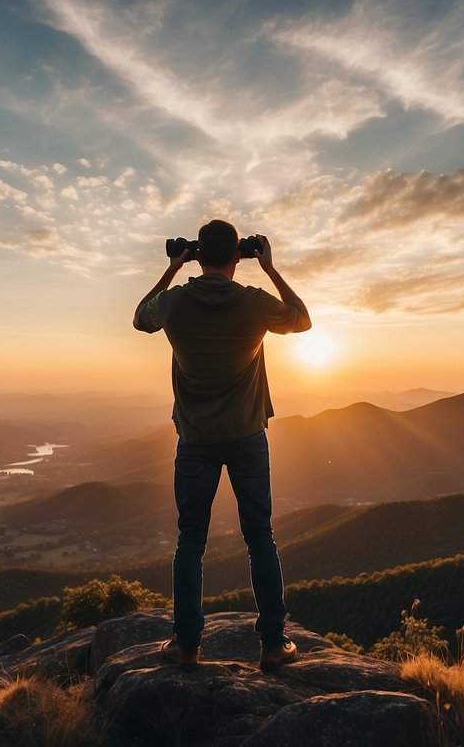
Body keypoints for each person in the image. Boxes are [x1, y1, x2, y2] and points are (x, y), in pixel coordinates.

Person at [133, 219, 312, 672]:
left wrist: (174, 268)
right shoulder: (251, 302)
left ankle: (186, 644)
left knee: (190, 541)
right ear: (238, 256)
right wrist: (269, 268)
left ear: (198, 254)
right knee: (260, 538)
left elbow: (140, 317)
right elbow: (302, 319)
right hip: (247, 436)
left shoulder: (173, 304)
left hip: (194, 440)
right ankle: (273, 645)